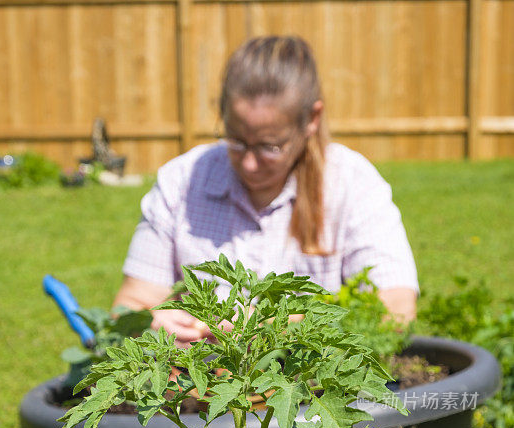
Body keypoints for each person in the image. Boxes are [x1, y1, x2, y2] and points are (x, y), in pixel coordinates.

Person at [114, 36, 419, 346]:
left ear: (312, 119)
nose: (248, 163)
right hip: (192, 390)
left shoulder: (353, 185)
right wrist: (153, 323)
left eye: (269, 146)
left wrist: (270, 325)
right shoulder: (181, 181)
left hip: (313, 390)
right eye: (236, 140)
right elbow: (130, 306)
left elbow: (395, 312)